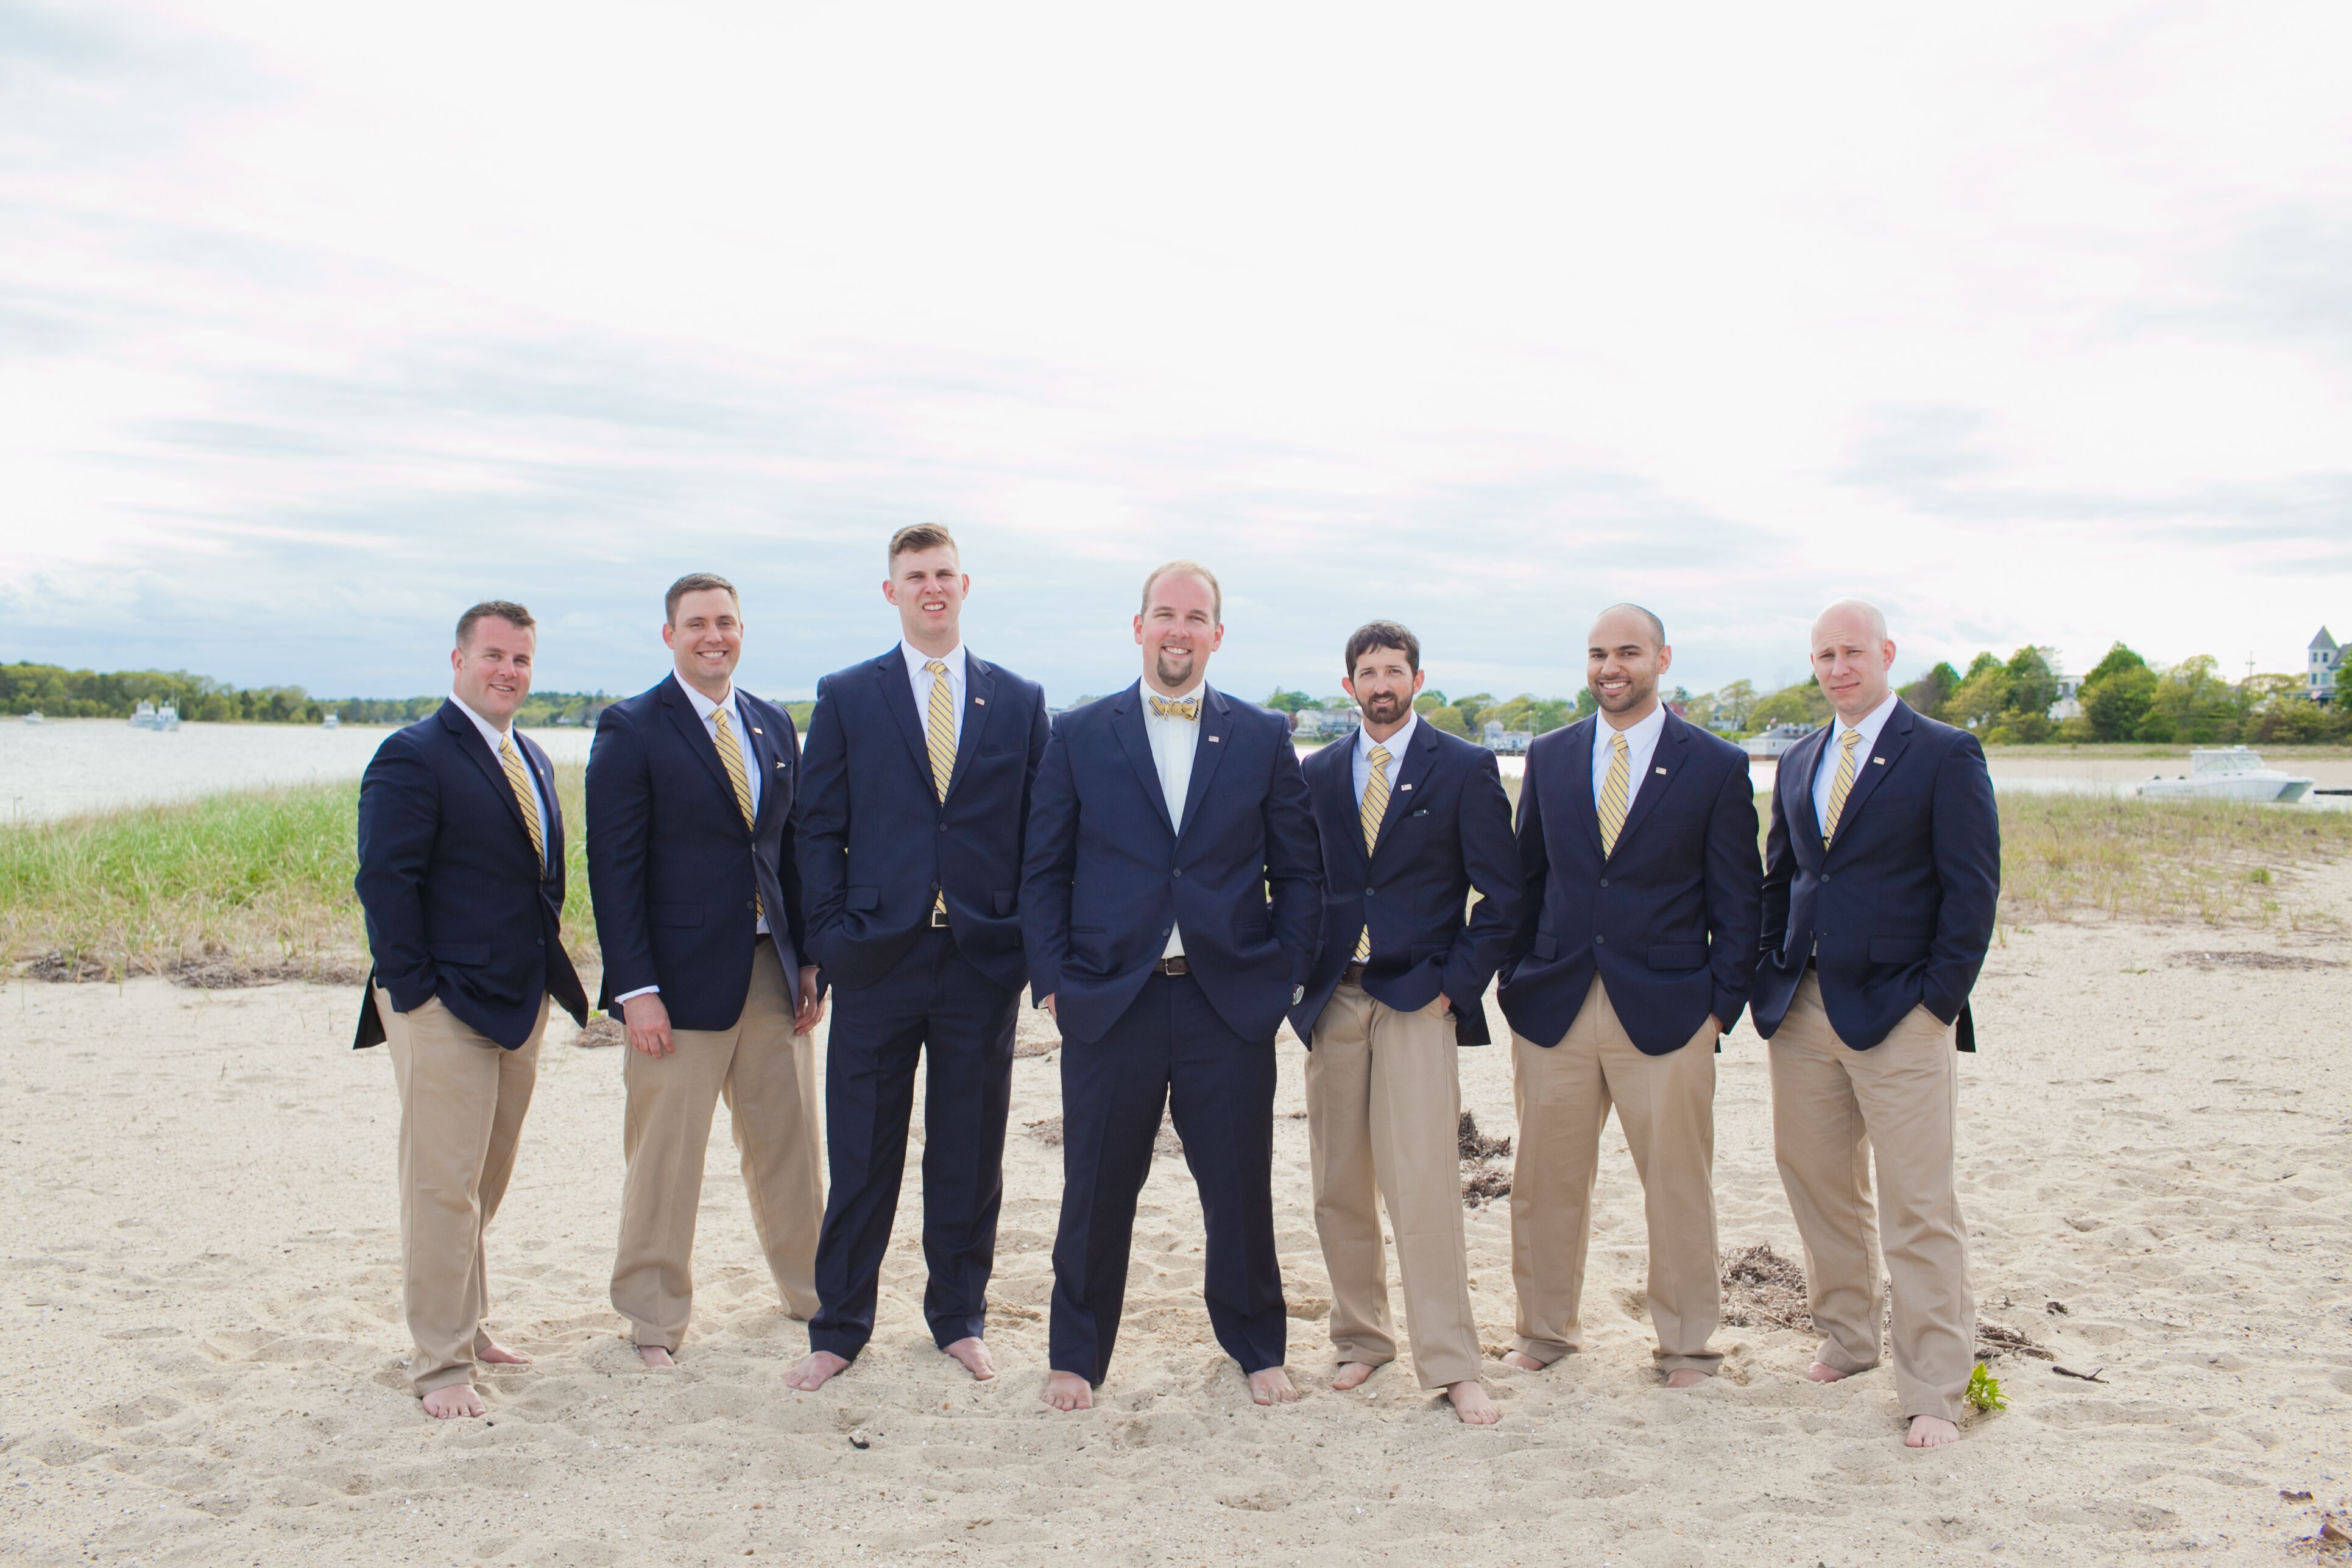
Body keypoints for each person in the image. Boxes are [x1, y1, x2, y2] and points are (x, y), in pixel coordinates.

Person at [1020, 560, 1321, 1411]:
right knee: (1095, 1190)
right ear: (1139, 626)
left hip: (1226, 1001)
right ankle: (1076, 1354)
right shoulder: (1078, 733)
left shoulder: (1263, 735)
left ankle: (1257, 1345)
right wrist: (1053, 982)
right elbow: (1042, 868)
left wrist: (1284, 974)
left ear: (1216, 635)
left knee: (1237, 1188)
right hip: (1110, 999)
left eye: (1195, 617)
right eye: (1165, 614)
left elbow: (1301, 873)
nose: (1178, 629)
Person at [785, 526, 1050, 1391]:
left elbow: (1042, 834)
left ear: (964, 584)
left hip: (981, 956)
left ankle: (958, 1317)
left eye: (942, 574)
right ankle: (840, 1325)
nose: (930, 588)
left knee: (969, 1151)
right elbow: (816, 825)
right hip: (877, 955)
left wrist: (1028, 941)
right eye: (914, 577)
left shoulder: (1017, 699)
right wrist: (828, 935)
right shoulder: (848, 694)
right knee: (862, 1148)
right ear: (890, 590)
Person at [1751, 599, 1999, 1449]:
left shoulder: (1943, 752)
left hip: (1902, 1009)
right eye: (1823, 654)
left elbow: (1971, 891)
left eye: (1851, 651)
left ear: (1886, 653)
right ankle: (1849, 1336)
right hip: (1802, 1004)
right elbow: (1778, 879)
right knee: (1815, 1177)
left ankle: (1933, 1384)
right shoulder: (1799, 758)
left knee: (1918, 1200)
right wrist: (1767, 978)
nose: (1837, 667)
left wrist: (1938, 1001)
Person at [1498, 604, 1760, 1387]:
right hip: (1556, 1004)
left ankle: (1687, 1346)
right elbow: (1526, 879)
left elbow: (1739, 900)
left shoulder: (1715, 765)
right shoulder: (1548, 755)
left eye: (1628, 653)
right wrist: (1516, 978)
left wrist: (1720, 1006)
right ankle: (1544, 1331)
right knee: (1545, 1183)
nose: (1611, 667)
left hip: (1672, 1008)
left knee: (1678, 1185)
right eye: (1597, 654)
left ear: (1662, 659)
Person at [353, 599, 589, 1419]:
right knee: (443, 1185)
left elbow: (539, 880)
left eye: (522, 659)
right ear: (456, 660)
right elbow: (385, 882)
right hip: (441, 1003)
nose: (508, 672)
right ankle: (441, 1363)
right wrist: (413, 993)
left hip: (516, 999)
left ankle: (470, 1322)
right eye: (493, 655)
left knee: (484, 1180)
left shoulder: (529, 755)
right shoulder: (412, 754)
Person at [587, 572, 826, 1367]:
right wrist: (636, 989)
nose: (713, 635)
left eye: (725, 621)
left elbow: (787, 849)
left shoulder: (770, 723)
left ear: (741, 629)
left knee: (790, 1144)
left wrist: (808, 962)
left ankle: (813, 1293)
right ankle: (654, 1320)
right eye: (697, 624)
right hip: (676, 984)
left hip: (770, 968)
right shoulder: (631, 728)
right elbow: (614, 870)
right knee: (667, 1155)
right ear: (670, 635)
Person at [1288, 621, 1520, 1424]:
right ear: (1348, 682)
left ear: (1416, 678)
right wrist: (1296, 984)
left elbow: (1504, 898)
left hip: (1418, 998)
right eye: (1366, 671)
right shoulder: (1316, 774)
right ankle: (1360, 1338)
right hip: (1334, 999)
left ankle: (1453, 1363)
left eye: (1393, 669)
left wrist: (1455, 986)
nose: (1380, 683)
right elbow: (1292, 884)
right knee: (1336, 1181)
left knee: (1422, 1182)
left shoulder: (1462, 768)